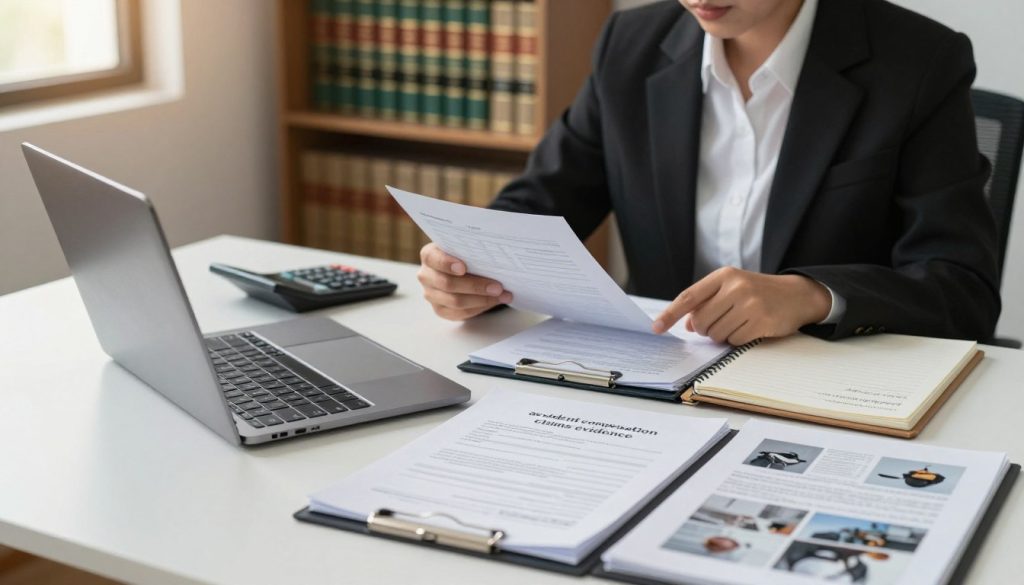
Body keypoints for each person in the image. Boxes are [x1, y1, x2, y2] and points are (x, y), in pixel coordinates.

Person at [416, 0, 1001, 344]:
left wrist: (810, 296)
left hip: (828, 391)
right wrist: (471, 269)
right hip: (662, 386)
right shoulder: (632, 43)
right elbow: (541, 203)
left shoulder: (919, 62)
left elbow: (961, 288)